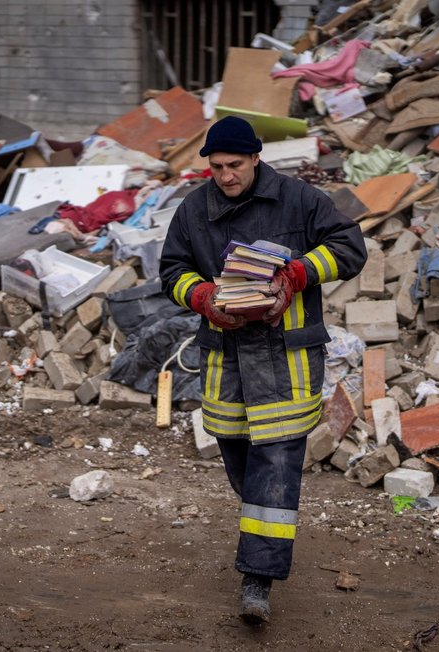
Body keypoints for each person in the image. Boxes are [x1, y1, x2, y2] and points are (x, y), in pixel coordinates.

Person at [159, 116, 367, 624]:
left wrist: (296, 274)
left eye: (235, 165)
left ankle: (258, 580)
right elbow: (171, 271)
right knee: (238, 455)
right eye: (216, 167)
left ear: (256, 159)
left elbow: (350, 248)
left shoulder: (300, 200)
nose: (226, 176)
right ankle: (265, 524)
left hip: (286, 357)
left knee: (276, 461)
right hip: (225, 353)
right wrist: (204, 297)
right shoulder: (194, 208)